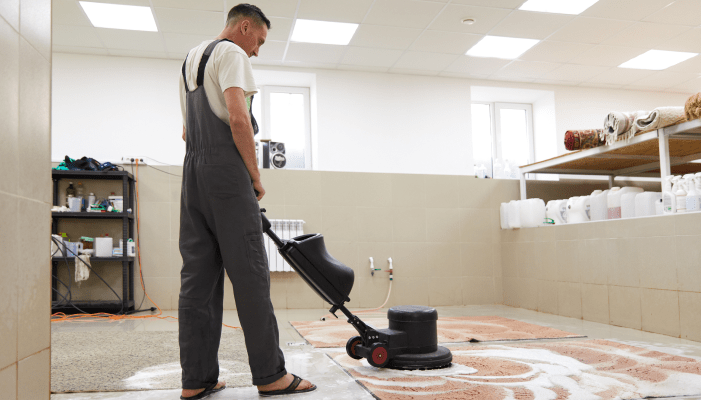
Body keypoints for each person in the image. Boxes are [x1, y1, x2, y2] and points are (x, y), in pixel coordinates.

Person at [178, 4, 316, 399]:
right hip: (225, 173)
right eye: (259, 40)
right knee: (251, 275)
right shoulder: (232, 53)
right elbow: (239, 119)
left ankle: (196, 380)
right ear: (244, 28)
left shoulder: (190, 59)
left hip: (193, 175)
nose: (257, 50)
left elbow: (187, 132)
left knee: (197, 280)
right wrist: (254, 176)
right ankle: (271, 376)